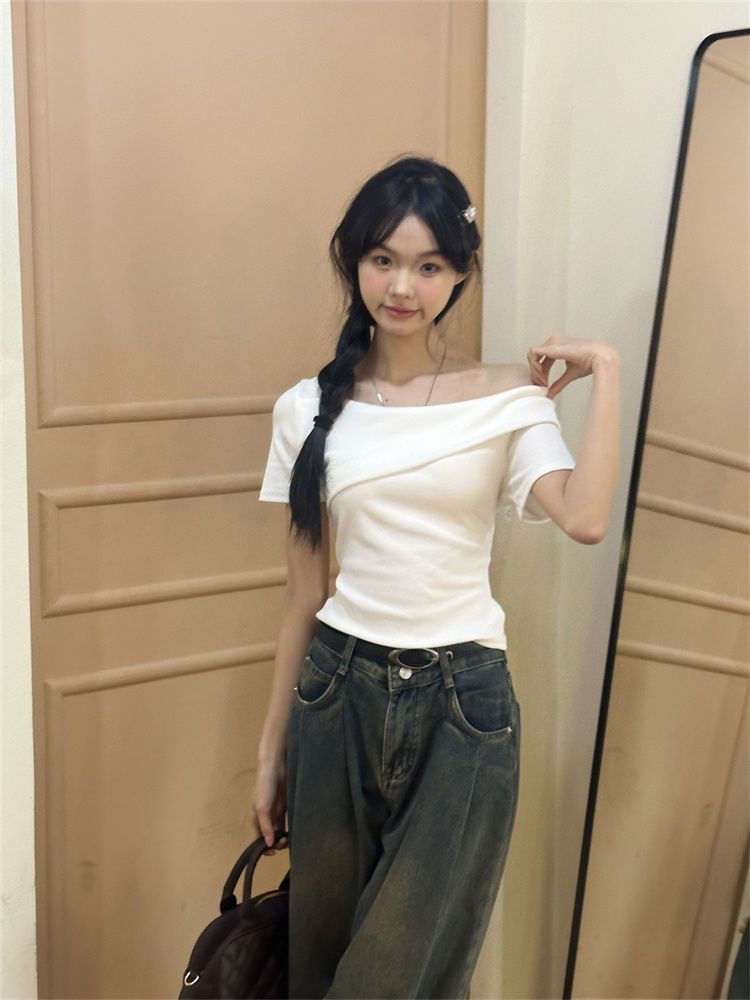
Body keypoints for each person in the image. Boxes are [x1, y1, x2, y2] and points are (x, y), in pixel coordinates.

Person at [253, 154, 620, 999]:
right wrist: (269, 754)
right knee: (319, 966)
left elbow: (586, 517)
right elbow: (303, 596)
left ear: (461, 272)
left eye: (428, 266)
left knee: (398, 979)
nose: (401, 287)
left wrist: (605, 369)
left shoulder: (509, 397)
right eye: (383, 259)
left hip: (464, 710)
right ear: (353, 260)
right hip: (334, 695)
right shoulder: (305, 409)